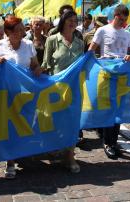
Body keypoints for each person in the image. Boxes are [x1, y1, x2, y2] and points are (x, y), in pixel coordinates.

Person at [0, 16, 41, 179]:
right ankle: (10, 162)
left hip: (24, 94)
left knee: (23, 124)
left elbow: (34, 65)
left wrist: (39, 70)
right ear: (8, 32)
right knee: (8, 126)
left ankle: (19, 151)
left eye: (22, 29)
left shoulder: (28, 45)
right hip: (5, 93)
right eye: (18, 30)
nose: (22, 32)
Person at [88, 5, 130, 159]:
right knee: (108, 108)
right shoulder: (103, 30)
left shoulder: (127, 34)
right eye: (120, 18)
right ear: (115, 16)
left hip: (121, 75)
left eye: (125, 19)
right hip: (106, 74)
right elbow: (91, 50)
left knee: (118, 110)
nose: (122, 22)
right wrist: (96, 63)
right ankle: (108, 141)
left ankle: (112, 141)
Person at [42, 10, 85, 173]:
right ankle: (56, 147)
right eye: (69, 20)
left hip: (74, 88)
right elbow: (46, 64)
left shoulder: (80, 42)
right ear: (63, 21)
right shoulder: (52, 40)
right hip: (56, 88)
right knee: (56, 120)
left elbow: (82, 64)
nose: (73, 23)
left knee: (72, 122)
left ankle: (70, 156)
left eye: (75, 20)